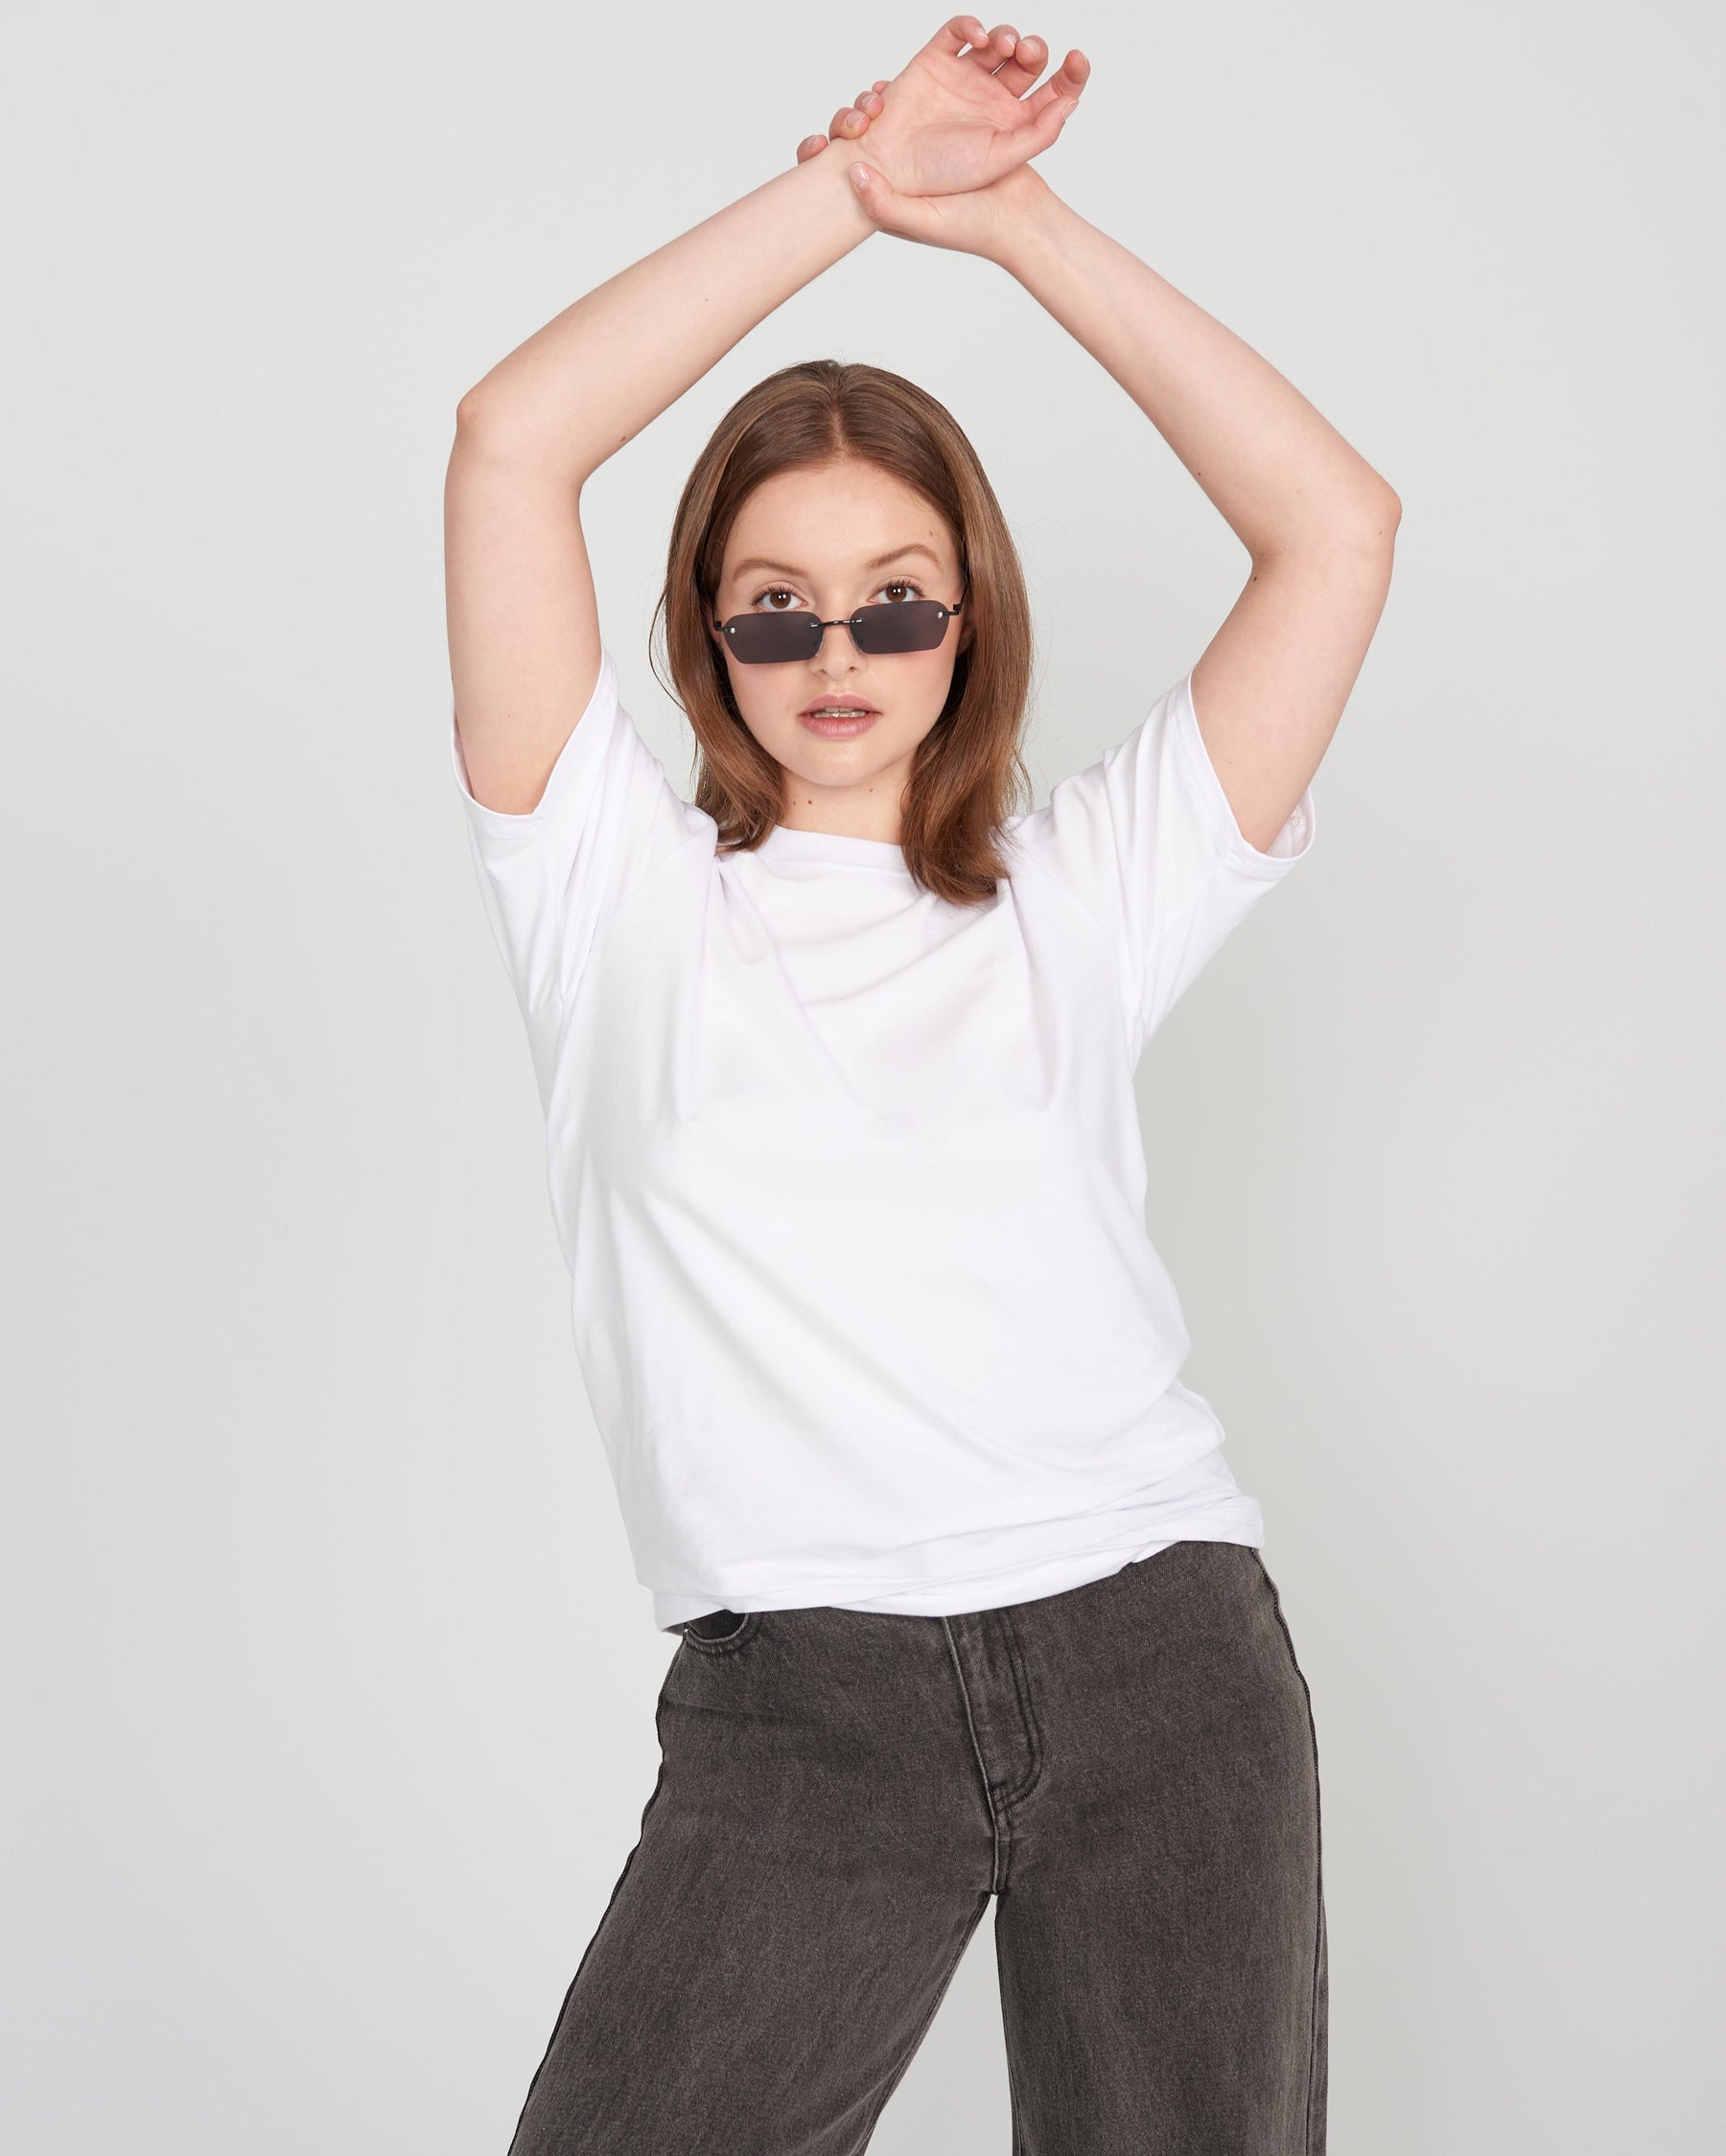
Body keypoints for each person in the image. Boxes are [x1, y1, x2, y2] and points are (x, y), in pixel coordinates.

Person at [443, 16, 1398, 2153]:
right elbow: (511, 440)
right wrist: (851, 191)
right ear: (701, 635)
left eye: (896, 603)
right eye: (774, 612)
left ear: (970, 626)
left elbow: (1335, 531)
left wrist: (1014, 221)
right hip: (812, 1699)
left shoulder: (1078, 894)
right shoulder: (603, 889)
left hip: (1163, 1659)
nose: (838, 657)